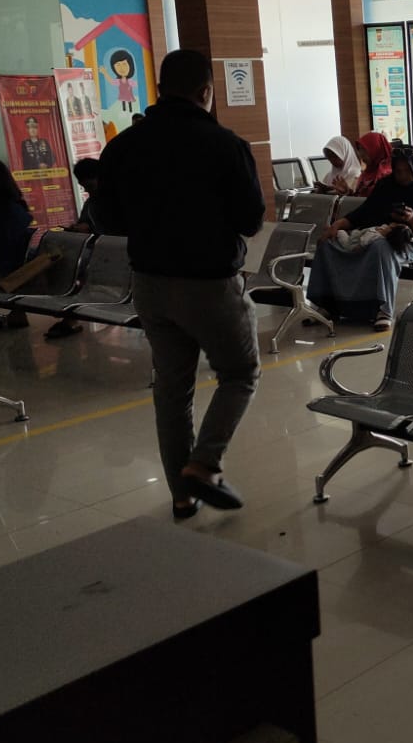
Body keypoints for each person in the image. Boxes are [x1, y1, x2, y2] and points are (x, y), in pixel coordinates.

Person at [94, 49, 265, 519]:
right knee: (239, 373)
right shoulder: (225, 145)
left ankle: (182, 494)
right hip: (209, 284)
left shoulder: (124, 146)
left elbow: (106, 218)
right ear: (206, 91)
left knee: (172, 388)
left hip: (150, 284)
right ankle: (204, 464)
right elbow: (251, 220)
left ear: (159, 89)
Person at [310, 146, 413, 331]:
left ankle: (383, 310)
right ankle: (328, 304)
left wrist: (412, 220)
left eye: (407, 171)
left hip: (406, 242)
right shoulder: (386, 185)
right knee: (328, 243)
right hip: (374, 233)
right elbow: (364, 212)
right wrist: (336, 225)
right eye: (398, 171)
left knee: (380, 247)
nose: (402, 176)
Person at [43, 158, 105, 340]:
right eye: (84, 187)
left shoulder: (114, 200)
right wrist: (79, 228)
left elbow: (116, 230)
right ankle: (68, 313)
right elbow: (86, 223)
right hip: (95, 250)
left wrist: (90, 229)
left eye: (89, 186)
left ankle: (70, 317)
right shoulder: (92, 202)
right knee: (61, 263)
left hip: (108, 253)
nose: (87, 191)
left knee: (74, 266)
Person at [350, 131, 393, 197]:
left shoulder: (388, 175)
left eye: (364, 150)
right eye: (360, 149)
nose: (361, 154)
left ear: (376, 149)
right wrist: (347, 192)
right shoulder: (366, 173)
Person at [108, 49, 138, 116]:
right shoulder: (119, 81)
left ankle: (130, 111)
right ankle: (124, 110)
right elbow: (111, 81)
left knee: (129, 102)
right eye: (118, 65)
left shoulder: (129, 81)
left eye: (124, 64)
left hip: (129, 95)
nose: (121, 68)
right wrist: (105, 73)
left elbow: (135, 84)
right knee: (123, 102)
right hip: (122, 95)